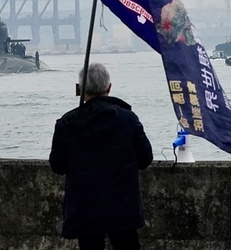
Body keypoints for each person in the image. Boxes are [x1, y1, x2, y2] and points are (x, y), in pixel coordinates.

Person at [49, 63, 153, 250]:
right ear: (109, 87)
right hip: (122, 205)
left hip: (85, 207)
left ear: (81, 90)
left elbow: (57, 165)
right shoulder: (128, 119)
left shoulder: (67, 123)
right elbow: (145, 159)